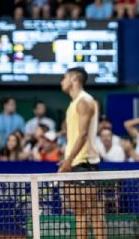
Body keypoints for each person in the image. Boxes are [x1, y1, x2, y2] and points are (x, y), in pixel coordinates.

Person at [59, 67, 106, 239]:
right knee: (79, 212)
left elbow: (83, 135)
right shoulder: (74, 103)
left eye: (64, 78)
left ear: (73, 79)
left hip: (84, 163)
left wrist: (68, 161)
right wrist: (67, 160)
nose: (61, 82)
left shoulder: (84, 102)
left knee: (94, 212)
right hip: (75, 163)